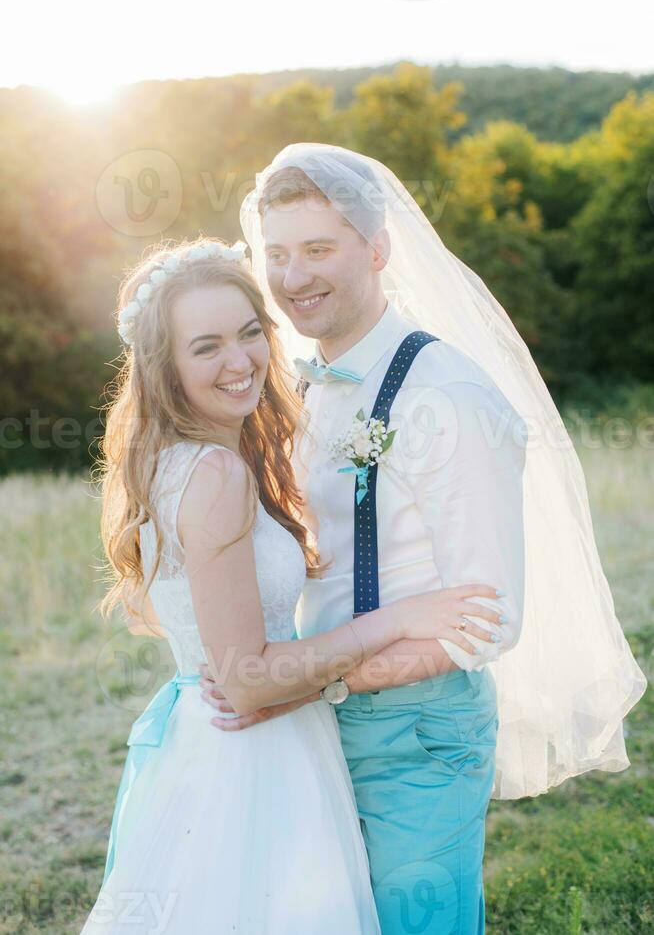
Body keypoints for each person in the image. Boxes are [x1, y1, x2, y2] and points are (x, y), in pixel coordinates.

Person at [199, 143, 647, 934]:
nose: (292, 276)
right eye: (276, 254)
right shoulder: (302, 382)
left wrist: (311, 687)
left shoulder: (447, 396)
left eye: (317, 249)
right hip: (314, 722)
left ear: (376, 250)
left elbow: (486, 623)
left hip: (415, 733)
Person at [80, 236, 504, 934]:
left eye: (250, 333)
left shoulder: (171, 459)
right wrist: (399, 619)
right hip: (253, 755)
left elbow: (166, 617)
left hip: (208, 732)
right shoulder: (215, 475)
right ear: (165, 366)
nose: (241, 360)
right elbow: (247, 680)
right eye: (206, 346)